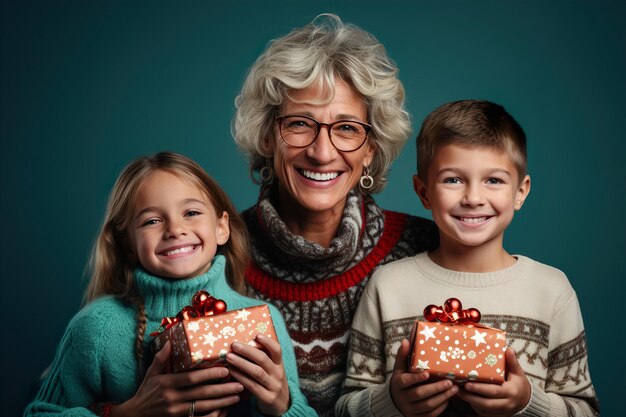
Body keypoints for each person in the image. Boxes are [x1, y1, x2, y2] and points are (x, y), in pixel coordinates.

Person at [336, 100, 600, 416]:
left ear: (520, 192)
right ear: (423, 192)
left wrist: (528, 402)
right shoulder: (388, 286)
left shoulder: (551, 290)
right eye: (453, 179)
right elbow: (345, 409)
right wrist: (391, 401)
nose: (473, 198)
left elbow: (586, 410)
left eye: (494, 180)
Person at [232, 13, 438, 416]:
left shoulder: (424, 250)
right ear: (267, 136)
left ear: (370, 151)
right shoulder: (214, 254)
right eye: (299, 123)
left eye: (346, 128)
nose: (322, 152)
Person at [24, 152, 316, 417]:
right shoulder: (95, 328)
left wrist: (281, 406)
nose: (175, 229)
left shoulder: (264, 320)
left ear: (221, 227)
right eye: (151, 221)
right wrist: (128, 413)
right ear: (127, 243)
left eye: (191, 213)